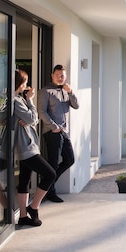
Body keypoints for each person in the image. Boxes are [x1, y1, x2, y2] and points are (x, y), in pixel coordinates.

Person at [13, 69, 56, 226]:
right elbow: (32, 117)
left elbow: (33, 120)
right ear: (19, 83)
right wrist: (30, 101)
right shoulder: (17, 101)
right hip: (26, 147)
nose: (26, 85)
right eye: (25, 82)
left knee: (24, 180)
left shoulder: (19, 99)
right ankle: (34, 207)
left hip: (28, 145)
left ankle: (23, 216)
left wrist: (31, 118)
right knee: (50, 174)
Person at [38, 64, 79, 203]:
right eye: (57, 75)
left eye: (62, 75)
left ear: (65, 77)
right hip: (52, 132)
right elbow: (41, 112)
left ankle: (46, 186)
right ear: (52, 75)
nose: (60, 78)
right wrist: (54, 127)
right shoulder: (45, 91)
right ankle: (50, 191)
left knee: (69, 159)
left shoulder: (65, 91)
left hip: (64, 131)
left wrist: (71, 92)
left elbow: (76, 105)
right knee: (53, 163)